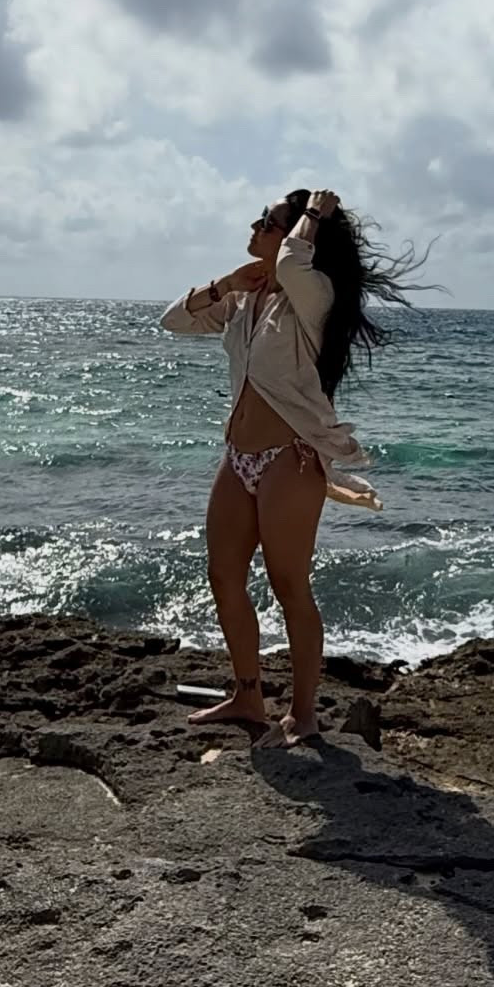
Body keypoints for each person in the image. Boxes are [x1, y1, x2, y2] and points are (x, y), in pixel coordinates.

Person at [161, 187, 423, 748]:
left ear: (294, 235)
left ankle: (303, 715)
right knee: (223, 577)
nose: (255, 227)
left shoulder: (314, 297)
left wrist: (313, 215)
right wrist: (223, 285)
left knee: (288, 584)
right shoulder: (244, 302)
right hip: (238, 457)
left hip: (292, 458)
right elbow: (173, 322)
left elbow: (291, 262)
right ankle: (248, 694)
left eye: (268, 221)